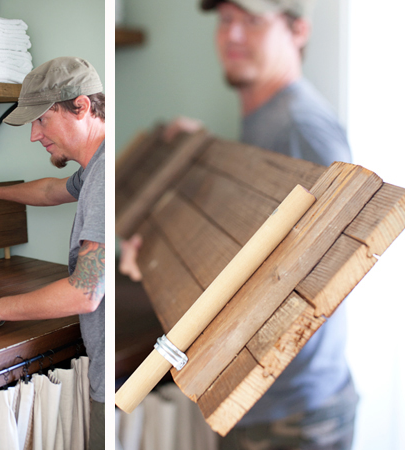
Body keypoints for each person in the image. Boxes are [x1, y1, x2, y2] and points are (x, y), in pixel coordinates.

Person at [120, 1, 359, 449]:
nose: (231, 35)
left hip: (292, 414)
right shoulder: (269, 119)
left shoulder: (299, 128)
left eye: (252, 20)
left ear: (298, 31)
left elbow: (301, 280)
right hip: (270, 404)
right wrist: (202, 151)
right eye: (226, 19)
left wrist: (157, 258)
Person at [0, 56, 105, 449]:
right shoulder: (96, 167)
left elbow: (85, 291)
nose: (34, 135)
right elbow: (52, 191)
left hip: (118, 383)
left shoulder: (104, 176)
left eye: (42, 119)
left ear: (81, 106)